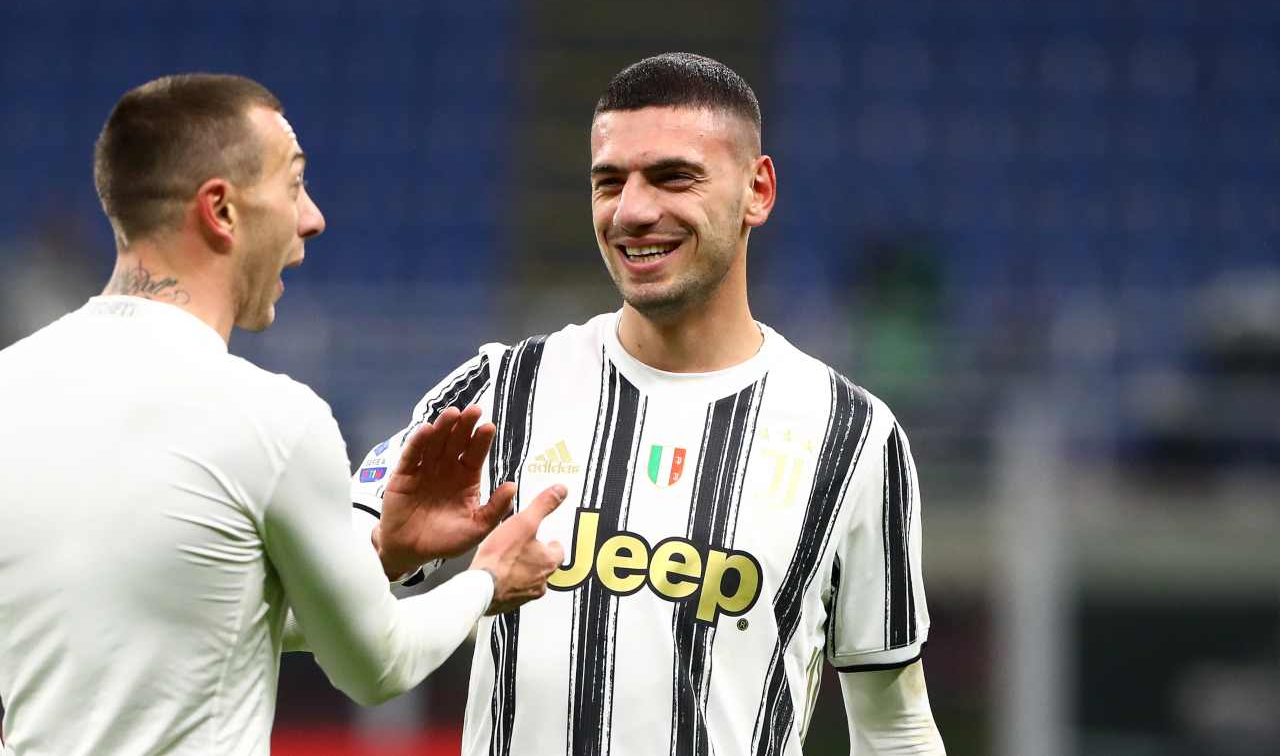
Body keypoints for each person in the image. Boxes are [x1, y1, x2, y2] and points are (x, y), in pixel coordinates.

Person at [358, 53, 945, 754]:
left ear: (757, 191)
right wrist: (384, 554)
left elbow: (895, 725)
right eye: (610, 182)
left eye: (673, 177)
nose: (633, 211)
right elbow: (298, 601)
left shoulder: (853, 439)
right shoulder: (498, 392)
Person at [0, 73, 565, 756]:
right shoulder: (270, 419)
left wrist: (378, 556)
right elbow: (376, 664)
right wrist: (486, 580)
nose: (313, 217)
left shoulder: (12, 385)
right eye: (294, 185)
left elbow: (193, 611)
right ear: (222, 211)